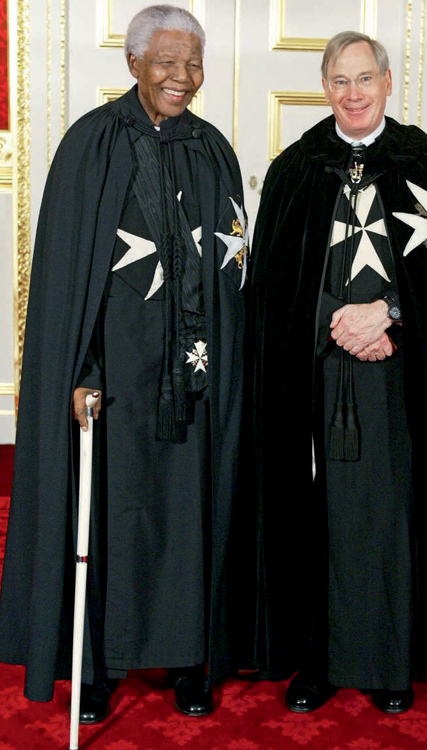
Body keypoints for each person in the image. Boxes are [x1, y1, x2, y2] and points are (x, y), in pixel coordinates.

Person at [246, 31, 427, 714]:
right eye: (340, 80)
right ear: (324, 85)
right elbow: (274, 288)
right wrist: (336, 319)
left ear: (387, 82)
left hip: (399, 379)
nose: (353, 94)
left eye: (365, 79)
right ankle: (318, 662)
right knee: (314, 516)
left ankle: (390, 660)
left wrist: (387, 313)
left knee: (390, 512)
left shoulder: (424, 165)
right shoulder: (296, 169)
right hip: (314, 376)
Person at [0, 4, 248, 722]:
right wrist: (82, 369)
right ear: (133, 64)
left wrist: (222, 367)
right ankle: (99, 663)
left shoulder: (212, 149)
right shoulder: (92, 145)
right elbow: (67, 279)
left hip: (197, 376)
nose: (182, 77)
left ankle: (193, 657)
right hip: (116, 380)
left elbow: (230, 268)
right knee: (109, 514)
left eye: (193, 63)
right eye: (166, 62)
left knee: (193, 510)